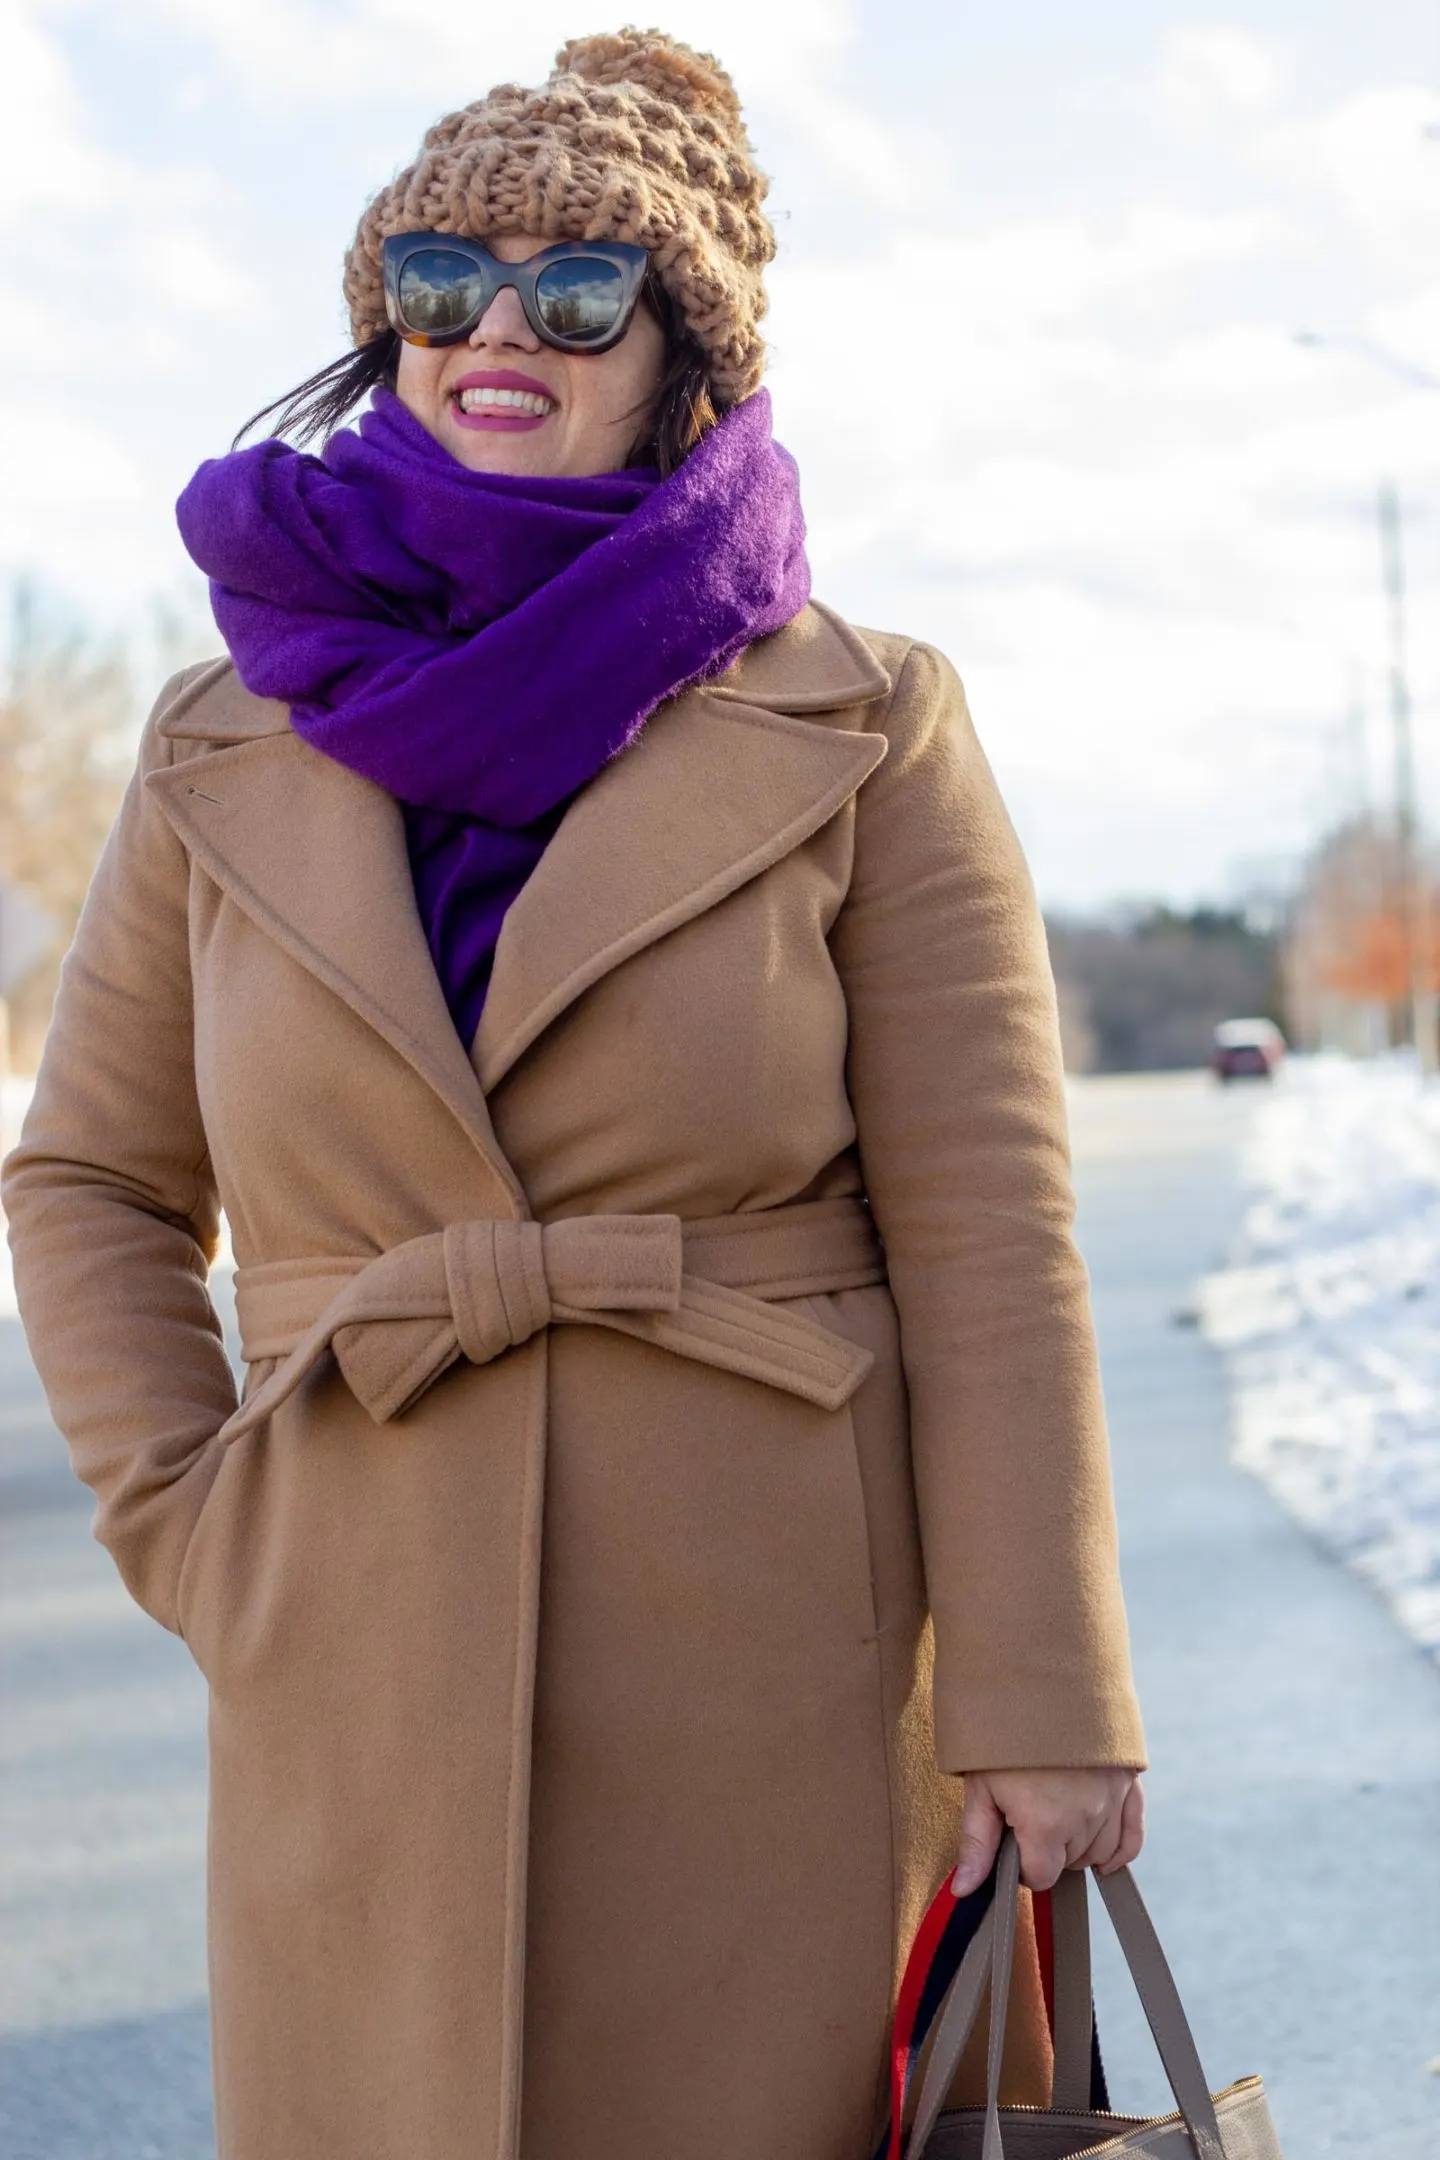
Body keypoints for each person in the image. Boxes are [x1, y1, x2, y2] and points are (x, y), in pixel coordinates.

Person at [3, 30, 1145, 2160]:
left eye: (577, 288)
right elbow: (86, 1180)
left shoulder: (870, 722)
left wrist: (1043, 1699)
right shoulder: (213, 736)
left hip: (771, 1642)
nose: (495, 332)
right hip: (349, 1617)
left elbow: (993, 1235)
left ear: (679, 348)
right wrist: (198, 1520)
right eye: (438, 281)